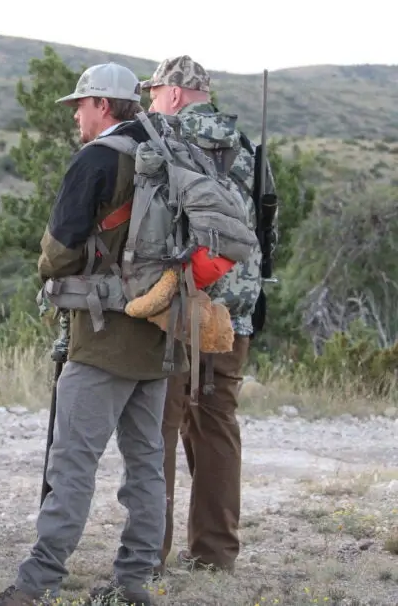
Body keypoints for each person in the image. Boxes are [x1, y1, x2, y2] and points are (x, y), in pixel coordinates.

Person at [0, 62, 186, 606]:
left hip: (103, 334)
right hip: (161, 333)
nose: (75, 115)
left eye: (81, 104)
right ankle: (134, 580)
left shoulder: (98, 159)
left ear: (104, 106)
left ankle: (36, 583)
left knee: (71, 462)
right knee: (147, 464)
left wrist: (49, 273)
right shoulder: (170, 150)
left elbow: (60, 250)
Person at [141, 55, 279, 575]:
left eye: (155, 92)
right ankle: (216, 555)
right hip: (236, 311)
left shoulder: (164, 139)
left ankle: (149, 553)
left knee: (160, 424)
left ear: (174, 94)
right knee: (217, 422)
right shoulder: (245, 147)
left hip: (182, 306)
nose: (151, 101)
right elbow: (267, 225)